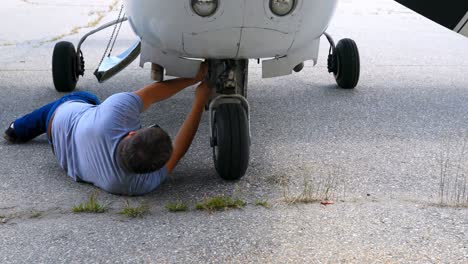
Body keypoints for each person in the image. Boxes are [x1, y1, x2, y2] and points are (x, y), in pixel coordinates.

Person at [4, 63, 210, 196]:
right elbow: (179, 151)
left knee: (88, 98)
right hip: (62, 155)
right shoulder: (135, 186)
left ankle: (17, 128)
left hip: (60, 118)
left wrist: (195, 81)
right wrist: (200, 101)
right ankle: (20, 129)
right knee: (90, 108)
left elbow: (152, 94)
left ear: (131, 133)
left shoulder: (114, 114)